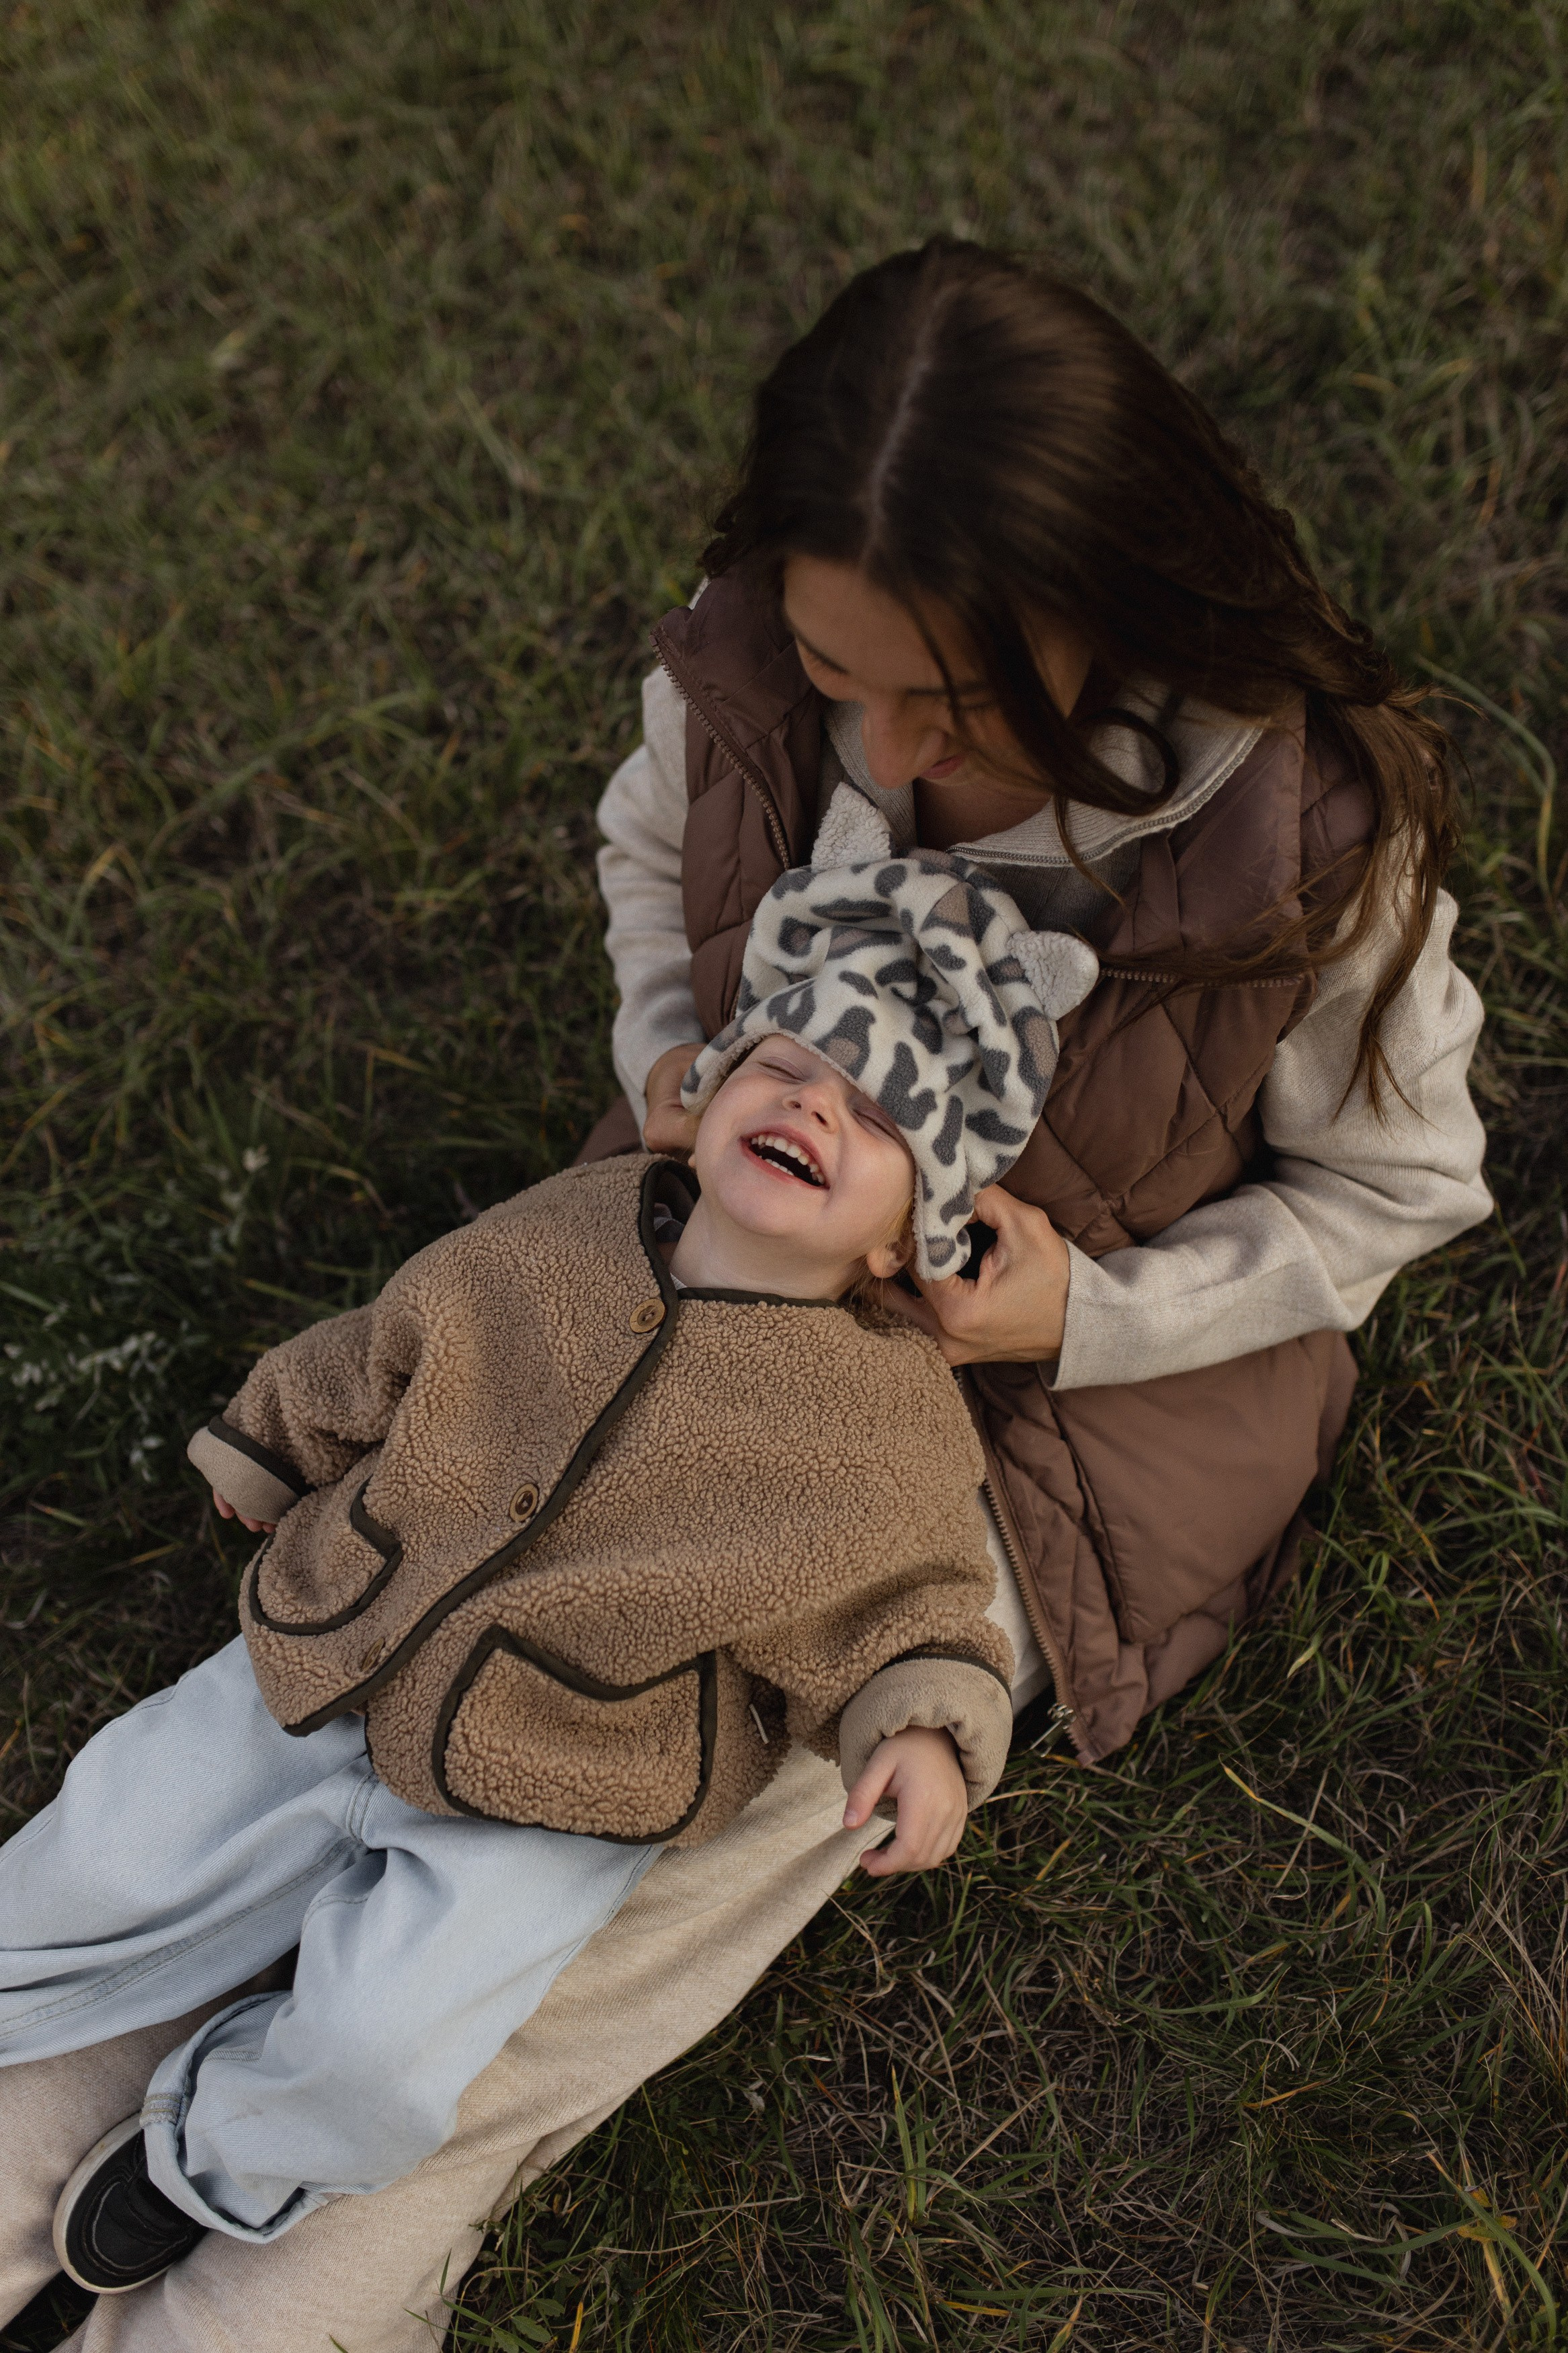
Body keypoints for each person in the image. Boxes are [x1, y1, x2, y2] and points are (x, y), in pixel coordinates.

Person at [0, 239, 1490, 2350]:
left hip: (1029, 1403)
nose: (872, 735)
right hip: (698, 1250)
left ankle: (290, 2260)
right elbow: (644, 861)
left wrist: (1085, 1310)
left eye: (947, 706)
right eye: (831, 666)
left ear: (1115, 613)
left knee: (644, 1806)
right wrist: (659, 1075)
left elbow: (1399, 1184)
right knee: (399, 1578)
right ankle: (51, 2070)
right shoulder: (757, 664)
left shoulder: (1299, 833)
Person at [0, 846, 1096, 2306]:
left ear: (911, 1228)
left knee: (391, 2051)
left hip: (563, 1773)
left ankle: (217, 2151)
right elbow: (397, 1337)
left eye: (877, 1110)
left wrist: (920, 1730)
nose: (813, 1104)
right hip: (349, 1633)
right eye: (787, 1061)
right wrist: (275, 1436)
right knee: (110, 1845)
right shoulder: (567, 1227)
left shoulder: (885, 1418)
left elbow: (913, 1601)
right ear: (709, 1095)